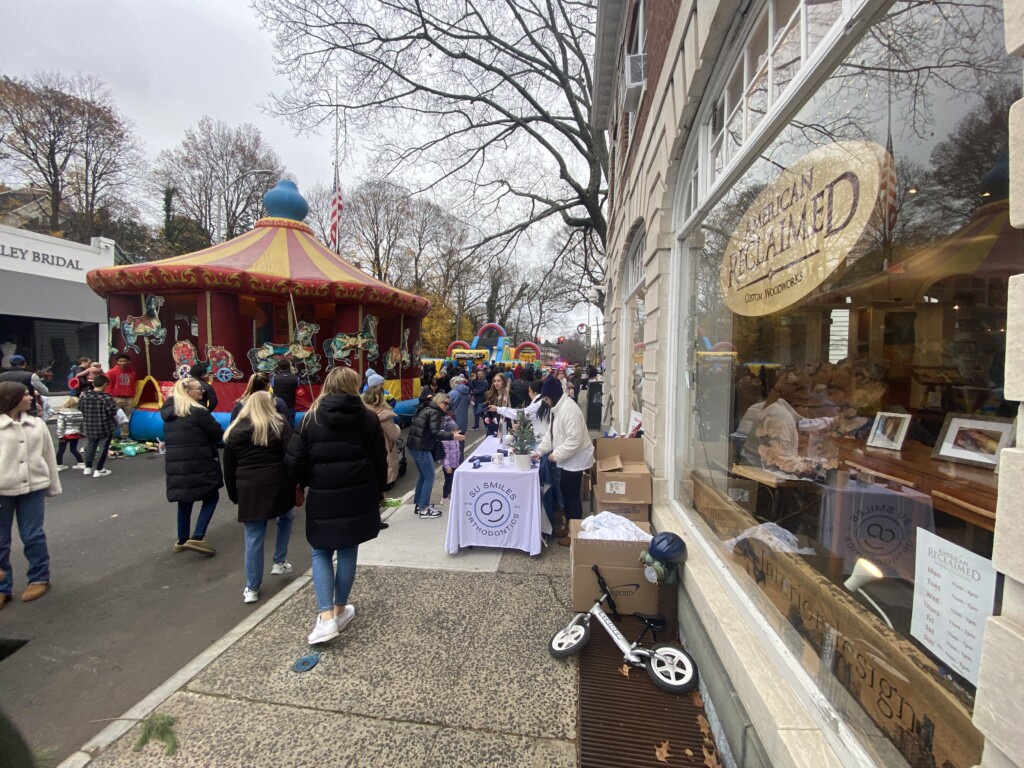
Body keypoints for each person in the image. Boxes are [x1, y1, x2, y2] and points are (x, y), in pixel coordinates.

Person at [285, 366, 387, 645]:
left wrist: (307, 481)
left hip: (323, 493)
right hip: (359, 493)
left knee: (320, 551)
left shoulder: (311, 418)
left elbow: (294, 459)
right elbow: (379, 458)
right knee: (348, 549)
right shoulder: (367, 418)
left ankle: (326, 616)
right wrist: (378, 491)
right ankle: (341, 608)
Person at [223, 391, 295, 604]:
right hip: (278, 482)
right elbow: (291, 455)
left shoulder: (235, 430)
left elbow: (229, 466)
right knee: (286, 517)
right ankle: (279, 560)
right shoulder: (279, 425)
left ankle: (252, 586)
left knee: (253, 536)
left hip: (248, 486)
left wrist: (233, 494)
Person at [0, 381, 61, 608]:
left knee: (33, 535)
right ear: (11, 397)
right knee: (1, 540)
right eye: (25, 394)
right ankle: (2, 587)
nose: (31, 396)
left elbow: (48, 457)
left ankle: (39, 577)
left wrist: (53, 485)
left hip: (33, 488)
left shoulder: (37, 424)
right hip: (2, 491)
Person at [162, 377, 224, 555]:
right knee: (211, 496)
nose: (202, 391)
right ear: (187, 391)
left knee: (185, 499)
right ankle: (198, 536)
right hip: (200, 460)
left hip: (176, 464)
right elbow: (217, 433)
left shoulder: (169, 413)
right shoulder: (198, 412)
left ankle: (182, 539)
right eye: (198, 389)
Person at [534, 375, 594, 545]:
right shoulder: (558, 409)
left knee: (571, 494)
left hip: (576, 458)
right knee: (566, 491)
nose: (545, 402)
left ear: (552, 396)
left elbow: (574, 440)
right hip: (569, 457)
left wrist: (555, 455)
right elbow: (551, 434)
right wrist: (541, 451)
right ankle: (569, 525)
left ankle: (574, 534)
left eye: (546, 398)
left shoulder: (569, 410)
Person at [406, 391, 463, 519]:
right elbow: (435, 432)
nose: (447, 406)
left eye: (448, 404)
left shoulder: (427, 409)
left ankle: (419, 505)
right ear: (438, 401)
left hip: (414, 445)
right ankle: (424, 508)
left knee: (423, 476)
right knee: (429, 477)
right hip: (421, 447)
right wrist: (452, 436)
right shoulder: (435, 413)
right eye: (445, 403)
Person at [362, 381, 401, 492]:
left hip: (366, 445)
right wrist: (397, 428)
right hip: (383, 445)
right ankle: (388, 482)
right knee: (387, 462)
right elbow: (393, 435)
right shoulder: (384, 415)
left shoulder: (361, 412)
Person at [78, 374, 118, 478]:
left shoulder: (84, 396)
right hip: (104, 426)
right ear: (105, 384)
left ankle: (88, 467)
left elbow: (80, 408)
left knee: (91, 445)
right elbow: (112, 412)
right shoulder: (107, 397)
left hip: (89, 425)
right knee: (103, 447)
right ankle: (99, 469)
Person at [105, 353, 137, 438]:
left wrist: (133, 396)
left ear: (128, 361)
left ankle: (124, 437)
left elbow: (133, 385)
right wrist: (110, 397)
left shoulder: (132, 373)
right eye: (120, 361)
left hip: (129, 398)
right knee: (114, 417)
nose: (123, 362)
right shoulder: (111, 372)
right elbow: (109, 385)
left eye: (124, 361)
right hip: (116, 398)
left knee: (126, 419)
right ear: (117, 362)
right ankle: (110, 436)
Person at [53, 396, 85, 471]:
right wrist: (82, 433)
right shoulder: (80, 413)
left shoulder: (62, 413)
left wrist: (60, 436)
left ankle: (59, 465)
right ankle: (81, 463)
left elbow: (60, 425)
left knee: (61, 450)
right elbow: (82, 424)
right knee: (73, 449)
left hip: (65, 434)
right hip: (76, 434)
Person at [271, 360, 299, 424]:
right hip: (290, 404)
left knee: (278, 423)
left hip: (277, 405)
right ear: (289, 366)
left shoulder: (274, 378)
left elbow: (273, 387)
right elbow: (297, 386)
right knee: (291, 424)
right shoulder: (296, 378)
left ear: (278, 367)